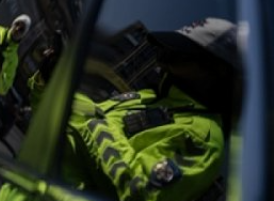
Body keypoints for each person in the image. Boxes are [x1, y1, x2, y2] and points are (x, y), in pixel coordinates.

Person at [28, 18, 240, 201]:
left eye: (183, 51)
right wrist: (52, 81)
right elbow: (80, 115)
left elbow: (137, 192)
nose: (165, 54)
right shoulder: (152, 97)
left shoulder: (203, 138)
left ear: (216, 69)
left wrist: (94, 125)